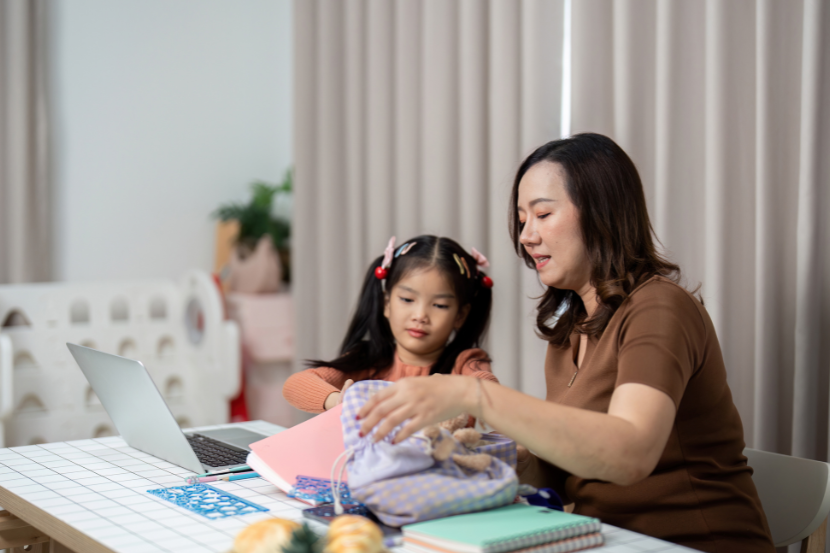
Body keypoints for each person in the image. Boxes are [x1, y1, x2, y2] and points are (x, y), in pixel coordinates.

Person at [355, 134, 775, 552]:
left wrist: (472, 394)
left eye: (542, 214)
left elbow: (631, 453)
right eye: (523, 220)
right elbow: (568, 471)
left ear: (601, 213)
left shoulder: (660, 308)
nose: (526, 236)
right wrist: (505, 459)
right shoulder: (570, 332)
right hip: (605, 541)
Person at [283, 234, 498, 414]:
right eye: (407, 299)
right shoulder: (368, 360)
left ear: (460, 315)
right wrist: (341, 402)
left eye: (439, 305)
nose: (420, 315)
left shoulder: (466, 363)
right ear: (386, 303)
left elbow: (490, 393)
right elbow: (296, 384)